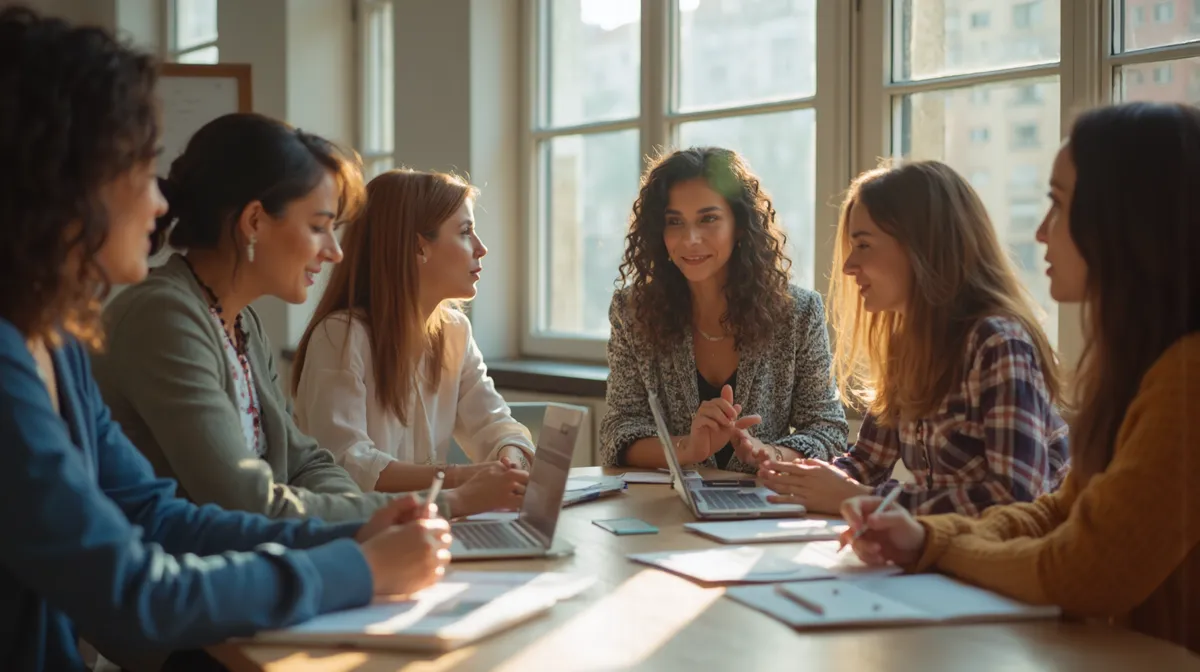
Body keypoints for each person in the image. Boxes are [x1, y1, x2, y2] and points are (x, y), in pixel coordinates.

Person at [0, 8, 450, 671]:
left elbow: (159, 516)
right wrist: (355, 568)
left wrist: (361, 530)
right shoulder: (28, 353)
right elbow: (130, 593)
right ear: (62, 177)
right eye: (139, 168)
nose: (160, 202)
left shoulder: (55, 343)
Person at [840, 102, 1200, 655]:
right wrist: (926, 535)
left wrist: (930, 545)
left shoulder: (1188, 380)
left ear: (1126, 219)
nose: (1039, 232)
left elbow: (1082, 567)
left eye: (1057, 205)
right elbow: (1058, 511)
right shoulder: (1143, 366)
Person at [91, 113, 508, 521]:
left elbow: (306, 464)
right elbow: (247, 501)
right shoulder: (166, 318)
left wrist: (373, 520)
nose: (334, 252)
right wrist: (442, 504)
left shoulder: (241, 324)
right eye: (318, 227)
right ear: (254, 222)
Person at [760, 161, 1069, 516]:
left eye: (863, 245)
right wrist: (793, 477)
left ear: (921, 247)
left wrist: (862, 499)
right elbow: (867, 462)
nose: (848, 267)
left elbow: (1014, 499)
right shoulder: (906, 345)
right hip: (952, 552)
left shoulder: (997, 343)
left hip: (1015, 561)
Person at [599, 147, 849, 474]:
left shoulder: (798, 313)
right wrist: (688, 447)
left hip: (765, 514)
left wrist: (770, 453)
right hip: (665, 509)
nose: (690, 239)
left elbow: (828, 430)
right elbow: (618, 431)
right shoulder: (632, 312)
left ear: (741, 225)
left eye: (709, 219)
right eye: (674, 222)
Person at [291, 169, 532, 507]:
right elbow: (346, 462)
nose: (482, 248)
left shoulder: (454, 331)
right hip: (361, 536)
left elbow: (495, 425)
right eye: (466, 232)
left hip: (427, 527)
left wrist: (510, 464)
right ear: (420, 247)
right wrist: (463, 479)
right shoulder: (341, 336)